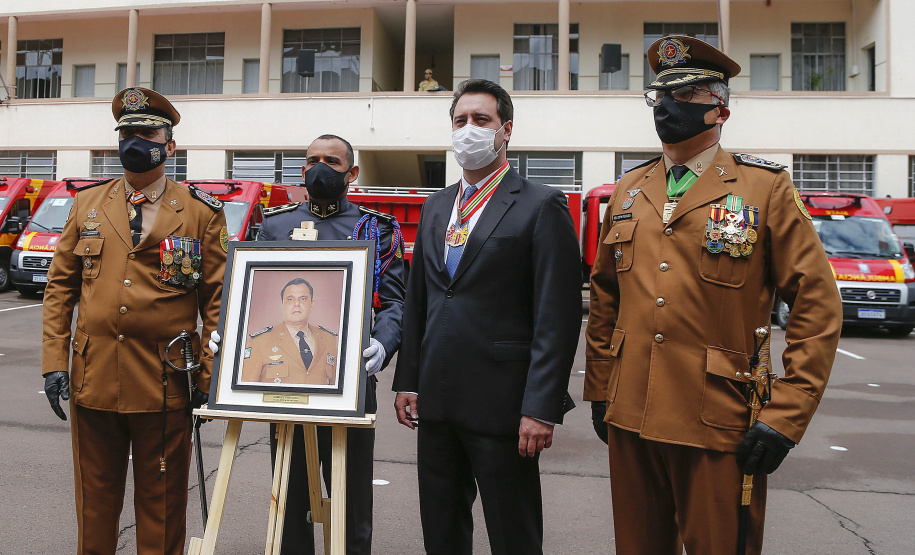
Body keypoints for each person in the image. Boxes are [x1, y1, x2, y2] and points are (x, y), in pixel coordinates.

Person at [584, 36, 843, 555]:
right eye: (659, 97)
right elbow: (605, 294)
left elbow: (816, 302)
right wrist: (601, 386)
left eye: (683, 95)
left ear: (719, 108)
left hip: (719, 417)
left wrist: (787, 413)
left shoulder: (763, 188)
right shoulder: (630, 190)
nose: (667, 108)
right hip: (631, 409)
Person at [392, 79, 581, 555]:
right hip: (436, 403)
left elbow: (557, 318)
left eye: (481, 120)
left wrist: (541, 406)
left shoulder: (541, 205)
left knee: (512, 533)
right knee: (442, 529)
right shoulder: (437, 205)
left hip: (504, 405)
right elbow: (420, 300)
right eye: (460, 121)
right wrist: (407, 380)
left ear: (506, 130)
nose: (469, 129)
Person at [41, 87, 227, 555]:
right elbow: (60, 288)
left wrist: (208, 371)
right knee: (96, 501)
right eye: (127, 133)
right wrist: (52, 362)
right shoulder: (87, 205)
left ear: (170, 145)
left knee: (162, 504)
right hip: (93, 375)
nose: (135, 141)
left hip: (165, 380)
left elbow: (218, 300)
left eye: (147, 132)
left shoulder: (200, 213)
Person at [213, 134, 405, 554]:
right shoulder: (275, 225)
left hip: (349, 380)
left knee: (352, 498)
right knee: (290, 496)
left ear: (351, 173)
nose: (320, 167)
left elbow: (395, 302)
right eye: (311, 160)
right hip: (284, 384)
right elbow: (253, 293)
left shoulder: (376, 228)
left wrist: (383, 344)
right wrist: (232, 332)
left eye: (331, 161)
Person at [242, 278, 339, 385]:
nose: (296, 304)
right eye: (290, 299)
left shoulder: (329, 339)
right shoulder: (260, 342)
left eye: (303, 299)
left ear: (312, 304)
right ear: (282, 304)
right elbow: (245, 392)